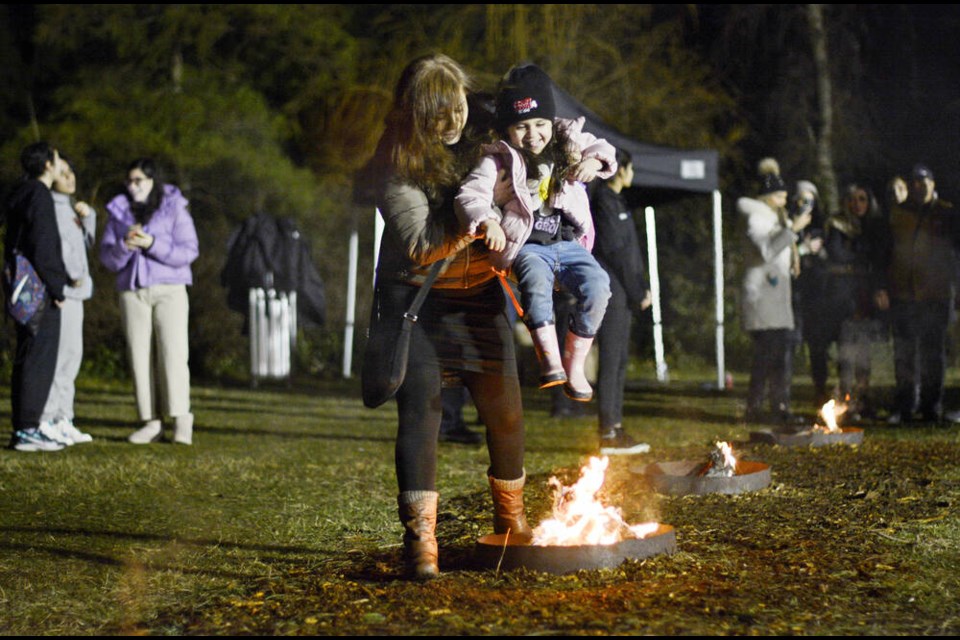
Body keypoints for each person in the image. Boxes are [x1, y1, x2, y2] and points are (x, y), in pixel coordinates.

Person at [362, 54, 529, 580]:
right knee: (422, 416)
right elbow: (418, 244)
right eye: (439, 113)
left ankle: (511, 523)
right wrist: (476, 222)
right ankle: (422, 545)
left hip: (478, 295)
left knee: (505, 412)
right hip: (419, 301)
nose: (452, 122)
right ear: (415, 113)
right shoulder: (396, 163)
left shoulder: (488, 144)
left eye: (457, 107)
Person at [455, 62, 614, 402]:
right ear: (508, 129)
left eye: (540, 124)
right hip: (528, 247)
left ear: (551, 122)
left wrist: (593, 163)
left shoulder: (568, 141)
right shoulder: (498, 160)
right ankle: (549, 359)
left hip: (568, 243)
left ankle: (575, 365)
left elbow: (604, 148)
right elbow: (470, 195)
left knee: (599, 286)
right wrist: (488, 221)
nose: (533, 135)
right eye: (521, 126)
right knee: (536, 285)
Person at [100, 158, 199, 444]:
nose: (133, 187)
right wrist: (125, 246)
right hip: (132, 291)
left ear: (152, 180)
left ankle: (181, 419)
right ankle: (150, 421)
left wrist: (152, 244)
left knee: (173, 354)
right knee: (139, 356)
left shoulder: (173, 206)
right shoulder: (118, 210)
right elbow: (107, 258)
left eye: (139, 181)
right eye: (129, 181)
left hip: (170, 288)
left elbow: (189, 250)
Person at [876, 164, 958, 424]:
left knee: (934, 355)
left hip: (937, 294)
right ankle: (904, 406)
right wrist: (881, 286)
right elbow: (884, 253)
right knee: (904, 353)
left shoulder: (947, 214)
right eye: (915, 183)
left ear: (933, 184)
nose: (920, 187)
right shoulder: (897, 215)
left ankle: (931, 406)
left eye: (924, 182)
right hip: (903, 294)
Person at [5, 142, 69, 452]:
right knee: (38, 358)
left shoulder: (20, 193)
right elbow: (43, 247)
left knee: (26, 355)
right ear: (47, 165)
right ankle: (28, 428)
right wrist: (57, 287)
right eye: (57, 160)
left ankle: (24, 426)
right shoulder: (39, 195)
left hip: (19, 287)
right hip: (38, 290)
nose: (59, 165)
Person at [738, 158, 812, 427]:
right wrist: (793, 229)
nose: (784, 201)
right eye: (780, 196)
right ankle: (755, 407)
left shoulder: (773, 216)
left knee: (778, 358)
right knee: (766, 358)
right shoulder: (756, 215)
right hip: (762, 299)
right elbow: (767, 250)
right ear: (769, 196)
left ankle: (778, 406)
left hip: (775, 299)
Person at [590, 148, 653, 455]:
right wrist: (636, 290)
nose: (632, 175)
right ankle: (608, 431)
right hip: (613, 291)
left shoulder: (617, 202)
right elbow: (616, 252)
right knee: (612, 359)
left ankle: (615, 425)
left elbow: (630, 253)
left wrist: (640, 287)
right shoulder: (604, 201)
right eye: (630, 169)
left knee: (620, 361)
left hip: (624, 291)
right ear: (619, 169)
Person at [37, 155, 96, 445]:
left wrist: (89, 219)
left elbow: (83, 245)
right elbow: (59, 250)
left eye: (71, 172)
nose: (70, 177)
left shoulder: (71, 208)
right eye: (63, 173)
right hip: (64, 296)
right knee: (60, 359)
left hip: (76, 296)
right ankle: (48, 418)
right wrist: (69, 276)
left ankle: (63, 417)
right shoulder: (52, 208)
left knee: (72, 358)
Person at [822, 183, 886, 421]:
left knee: (863, 355)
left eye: (862, 199)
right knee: (847, 353)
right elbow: (837, 254)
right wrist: (858, 261)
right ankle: (846, 402)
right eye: (853, 200)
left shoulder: (871, 227)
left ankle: (863, 401)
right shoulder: (837, 226)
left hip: (864, 297)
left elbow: (876, 257)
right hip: (844, 299)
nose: (858, 205)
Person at [788, 180, 830, 407]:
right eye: (800, 199)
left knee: (817, 345)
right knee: (792, 342)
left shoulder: (820, 227)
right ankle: (784, 392)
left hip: (816, 293)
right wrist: (802, 248)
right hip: (794, 292)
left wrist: (820, 252)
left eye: (809, 200)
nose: (804, 204)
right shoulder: (788, 224)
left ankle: (820, 389)